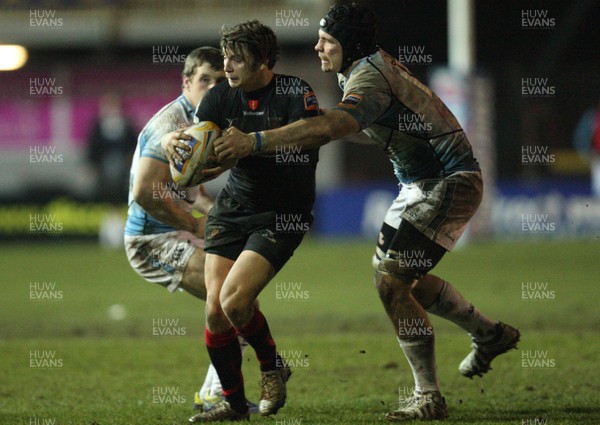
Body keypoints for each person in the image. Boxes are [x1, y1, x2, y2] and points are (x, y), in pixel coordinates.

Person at [205, 4, 520, 422]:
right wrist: (301, 130)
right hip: (418, 183)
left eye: (327, 41)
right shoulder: (359, 68)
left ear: (349, 45)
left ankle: (429, 395)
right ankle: (488, 334)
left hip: (448, 180)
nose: (318, 46)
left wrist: (258, 140)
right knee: (405, 280)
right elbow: (360, 128)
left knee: (392, 280)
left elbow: (334, 127)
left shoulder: (369, 76)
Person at [163, 20, 320, 423]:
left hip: (281, 213)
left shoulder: (294, 92)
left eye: (236, 58)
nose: (227, 66)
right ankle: (234, 406)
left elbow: (306, 143)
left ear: (264, 59)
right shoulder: (217, 98)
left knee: (235, 301)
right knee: (216, 312)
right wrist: (177, 151)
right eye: (225, 56)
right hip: (233, 210)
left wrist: (253, 145)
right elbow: (204, 159)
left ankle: (271, 366)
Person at [123, 46, 255, 414]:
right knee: (235, 302)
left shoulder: (203, 120)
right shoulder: (171, 126)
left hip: (176, 232)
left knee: (239, 301)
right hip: (151, 240)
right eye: (204, 80)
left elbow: (190, 190)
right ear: (186, 82)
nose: (213, 88)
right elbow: (144, 192)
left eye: (219, 81)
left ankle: (217, 395)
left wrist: (214, 216)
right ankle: (217, 397)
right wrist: (196, 224)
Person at [87, 92, 138, 203]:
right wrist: (92, 164)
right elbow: (92, 147)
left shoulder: (127, 125)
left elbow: (134, 144)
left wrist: (131, 160)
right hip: (102, 166)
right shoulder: (98, 125)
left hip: (123, 166)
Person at [573, 98, 600, 197]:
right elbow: (581, 136)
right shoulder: (593, 117)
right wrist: (586, 152)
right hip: (597, 156)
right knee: (598, 190)